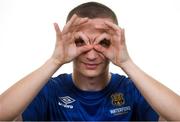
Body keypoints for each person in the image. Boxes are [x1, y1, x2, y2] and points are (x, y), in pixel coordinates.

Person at [0, 1, 180, 121]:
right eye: (80, 42)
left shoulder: (132, 90)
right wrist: (55, 60)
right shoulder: (49, 91)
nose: (92, 55)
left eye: (103, 42)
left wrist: (127, 63)